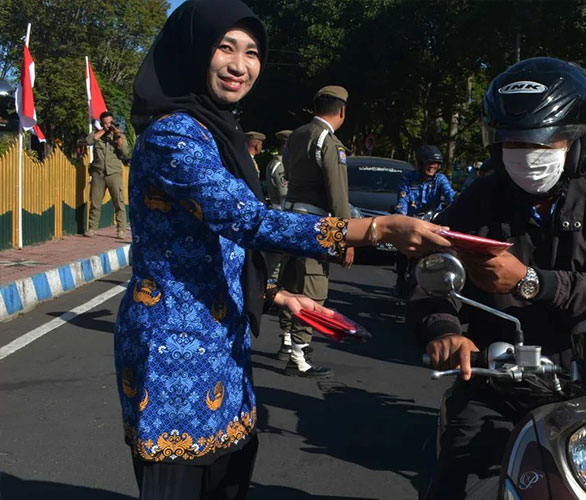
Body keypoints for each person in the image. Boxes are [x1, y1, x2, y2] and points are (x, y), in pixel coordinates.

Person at [119, 2, 450, 498]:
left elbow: (218, 245)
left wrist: (277, 297)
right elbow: (248, 221)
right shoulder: (174, 135)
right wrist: (375, 230)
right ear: (192, 51)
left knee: (228, 480)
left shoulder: (215, 132)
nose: (240, 65)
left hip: (222, 343)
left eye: (252, 52)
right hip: (174, 353)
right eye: (224, 48)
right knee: (179, 485)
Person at [407, 57, 586, 499]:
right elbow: (430, 274)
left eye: (542, 143)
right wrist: (442, 330)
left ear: (577, 143)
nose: (526, 154)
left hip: (585, 387)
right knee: (455, 486)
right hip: (492, 385)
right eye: (512, 143)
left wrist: (531, 281)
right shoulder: (480, 198)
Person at [276, 85, 355, 377]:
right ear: (342, 111)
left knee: (292, 283)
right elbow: (338, 193)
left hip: (290, 217)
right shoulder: (329, 140)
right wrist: (345, 237)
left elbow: (286, 171)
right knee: (313, 287)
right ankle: (299, 356)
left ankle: (286, 340)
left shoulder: (297, 135)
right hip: (315, 223)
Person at [393, 145, 456, 295]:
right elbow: (402, 203)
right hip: (412, 221)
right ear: (420, 163)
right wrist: (402, 218)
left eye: (436, 164)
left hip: (433, 222)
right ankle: (400, 280)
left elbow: (451, 196)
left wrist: (460, 202)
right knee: (402, 248)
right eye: (429, 163)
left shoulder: (440, 179)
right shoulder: (407, 179)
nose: (433, 166)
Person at [85, 111, 129, 238]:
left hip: (114, 173)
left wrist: (117, 135)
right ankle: (92, 228)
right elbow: (88, 141)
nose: (108, 125)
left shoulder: (118, 136)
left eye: (110, 122)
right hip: (98, 173)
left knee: (118, 202)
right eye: (105, 123)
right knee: (95, 202)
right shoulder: (98, 135)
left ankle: (121, 230)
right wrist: (104, 130)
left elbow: (124, 151)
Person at [265, 129, 291, 209]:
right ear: (285, 145)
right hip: (282, 210)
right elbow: (284, 194)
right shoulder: (280, 165)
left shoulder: (274, 162)